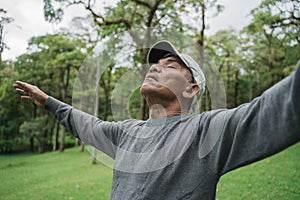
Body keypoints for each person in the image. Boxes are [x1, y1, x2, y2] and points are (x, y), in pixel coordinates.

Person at [13, 40, 300, 199]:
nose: (154, 68)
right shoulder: (125, 133)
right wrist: (47, 101)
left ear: (191, 89)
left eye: (169, 65)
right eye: (153, 65)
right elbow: (85, 124)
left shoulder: (207, 131)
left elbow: (277, 106)